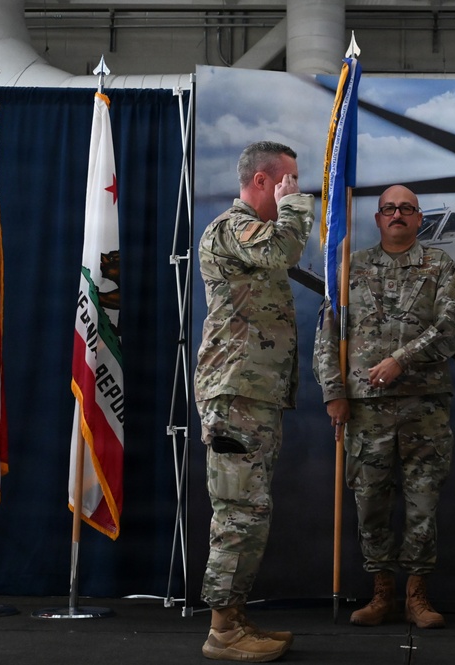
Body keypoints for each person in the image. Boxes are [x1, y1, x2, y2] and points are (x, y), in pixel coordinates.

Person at [313, 184, 455, 629]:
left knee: (423, 502)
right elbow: (327, 335)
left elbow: (453, 328)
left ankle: (417, 595)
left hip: (425, 406)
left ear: (420, 218)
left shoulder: (438, 265)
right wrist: (334, 392)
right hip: (365, 408)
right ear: (377, 219)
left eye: (406, 208)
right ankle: (382, 593)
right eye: (388, 209)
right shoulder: (350, 267)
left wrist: (402, 359)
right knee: (370, 503)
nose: (397, 214)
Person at [194, 141, 314, 662]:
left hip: (254, 396)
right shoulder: (232, 228)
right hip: (235, 395)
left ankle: (235, 615)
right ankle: (221, 631)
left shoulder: (253, 232)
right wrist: (295, 208)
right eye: (288, 181)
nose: (295, 189)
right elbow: (283, 252)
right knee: (237, 512)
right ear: (262, 181)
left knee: (251, 509)